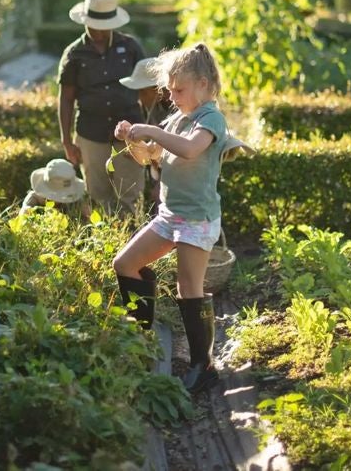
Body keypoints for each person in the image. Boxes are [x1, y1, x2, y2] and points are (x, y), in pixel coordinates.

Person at [112, 43, 228, 394]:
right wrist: (133, 137)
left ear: (204, 85)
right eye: (170, 90)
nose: (173, 97)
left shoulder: (210, 119)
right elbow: (151, 156)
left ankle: (202, 365)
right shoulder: (178, 118)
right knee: (125, 263)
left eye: (179, 90)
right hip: (169, 215)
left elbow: (191, 149)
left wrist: (151, 131)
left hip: (196, 219)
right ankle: (142, 341)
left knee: (188, 288)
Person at [58, 0, 146, 215]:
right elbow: (66, 98)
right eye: (94, 24)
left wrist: (153, 132)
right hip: (91, 132)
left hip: (129, 131)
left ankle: (133, 241)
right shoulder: (74, 54)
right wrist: (67, 141)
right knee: (98, 194)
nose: (99, 30)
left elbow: (148, 90)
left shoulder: (130, 47)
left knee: (131, 193)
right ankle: (106, 243)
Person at [120, 58, 174, 206]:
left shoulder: (177, 111)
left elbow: (174, 152)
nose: (139, 97)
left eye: (142, 91)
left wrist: (160, 186)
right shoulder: (149, 106)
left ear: (158, 89)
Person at [19, 158, 92, 221]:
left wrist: (86, 214)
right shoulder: (37, 197)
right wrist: (27, 210)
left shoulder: (75, 199)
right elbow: (24, 211)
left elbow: (87, 217)